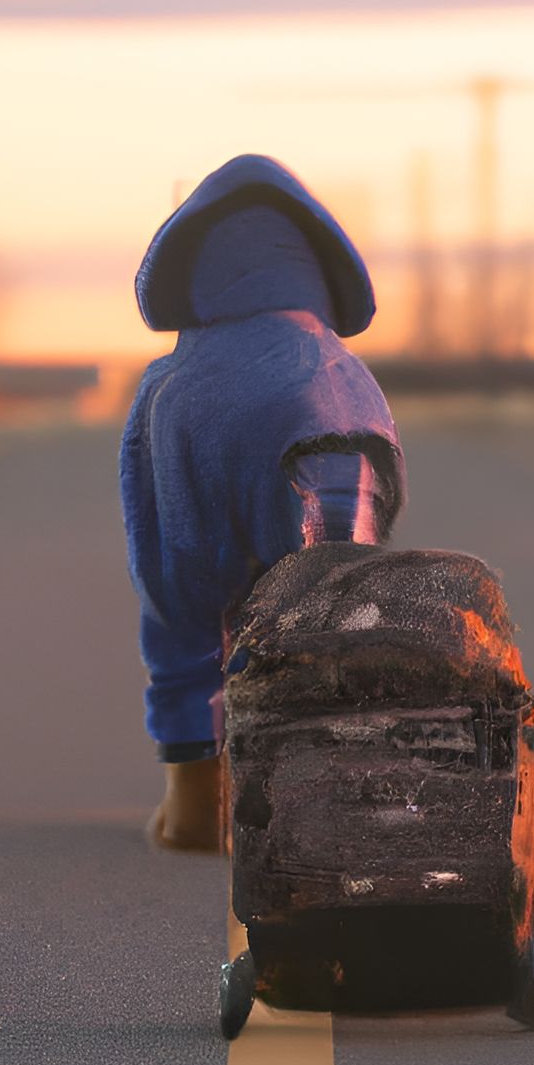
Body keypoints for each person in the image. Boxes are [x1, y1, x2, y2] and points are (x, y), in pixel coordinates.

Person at [120, 154, 407, 849]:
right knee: (335, 610)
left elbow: (171, 591)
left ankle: (199, 796)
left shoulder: (173, 386)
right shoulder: (351, 373)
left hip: (215, 435)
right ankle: (326, 790)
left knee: (188, 602)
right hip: (349, 440)